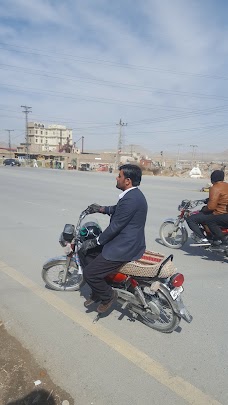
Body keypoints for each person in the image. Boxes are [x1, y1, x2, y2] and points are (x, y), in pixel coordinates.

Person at [79, 164, 148, 314]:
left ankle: (108, 295)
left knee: (89, 273)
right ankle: (98, 288)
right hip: (126, 242)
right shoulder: (133, 195)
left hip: (124, 247)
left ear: (127, 180)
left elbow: (115, 227)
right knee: (85, 253)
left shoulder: (131, 199)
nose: (117, 178)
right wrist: (101, 209)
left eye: (119, 176)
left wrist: (96, 241)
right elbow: (118, 210)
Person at [186, 170, 228, 246]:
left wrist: (204, 209)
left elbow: (211, 207)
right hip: (224, 213)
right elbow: (221, 199)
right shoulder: (226, 186)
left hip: (218, 213)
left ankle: (203, 239)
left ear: (212, 179)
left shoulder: (215, 188)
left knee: (191, 219)